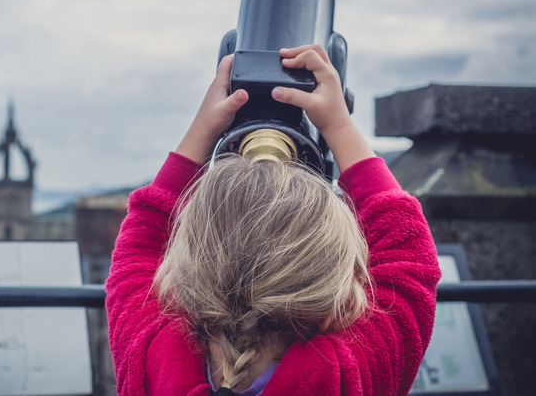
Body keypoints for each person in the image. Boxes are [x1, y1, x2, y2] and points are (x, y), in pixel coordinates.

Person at [105, 45, 440, 395]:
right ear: (337, 303)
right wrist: (338, 125)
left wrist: (201, 131)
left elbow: (139, 247)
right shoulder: (346, 375)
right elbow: (409, 258)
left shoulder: (152, 361)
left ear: (178, 282)